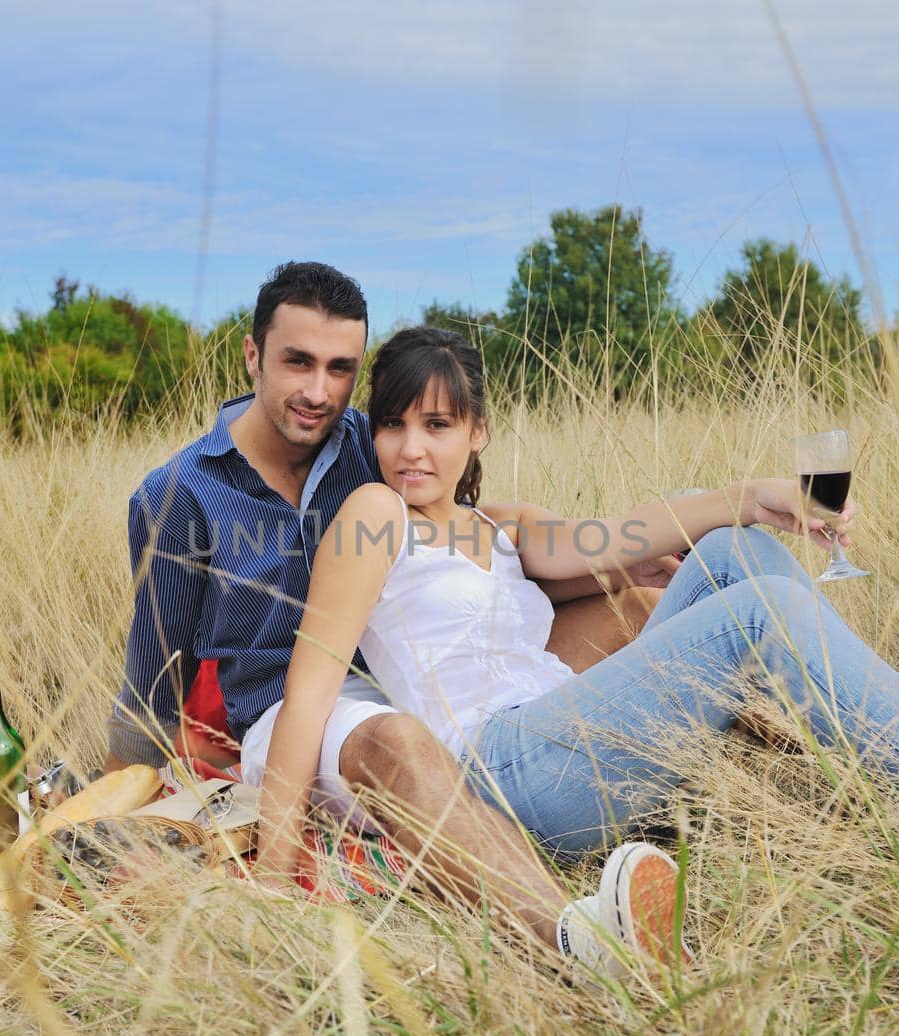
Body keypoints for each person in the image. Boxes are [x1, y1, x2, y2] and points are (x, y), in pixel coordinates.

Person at [250, 325, 899, 974]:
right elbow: (313, 684)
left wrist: (750, 495)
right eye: (394, 425)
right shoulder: (373, 517)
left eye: (436, 425)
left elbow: (624, 531)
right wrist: (273, 864)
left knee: (742, 553)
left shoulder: (500, 526)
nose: (411, 448)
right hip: (501, 769)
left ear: (476, 432)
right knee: (762, 614)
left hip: (567, 734)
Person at [107, 263, 681, 977]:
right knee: (393, 735)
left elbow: (455, 569)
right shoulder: (177, 495)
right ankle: (571, 938)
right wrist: (121, 811)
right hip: (297, 708)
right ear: (253, 355)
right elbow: (153, 679)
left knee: (641, 609)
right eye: (298, 362)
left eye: (340, 369)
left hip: (420, 679)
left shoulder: (372, 440)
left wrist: (617, 572)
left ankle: (688, 805)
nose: (318, 392)